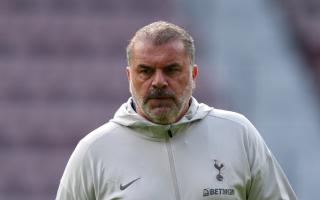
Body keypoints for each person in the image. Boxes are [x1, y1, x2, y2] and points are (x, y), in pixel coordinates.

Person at [56, 21, 297, 200]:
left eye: (171, 69)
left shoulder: (238, 134)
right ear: (130, 77)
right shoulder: (93, 151)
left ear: (193, 75)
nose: (158, 82)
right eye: (145, 71)